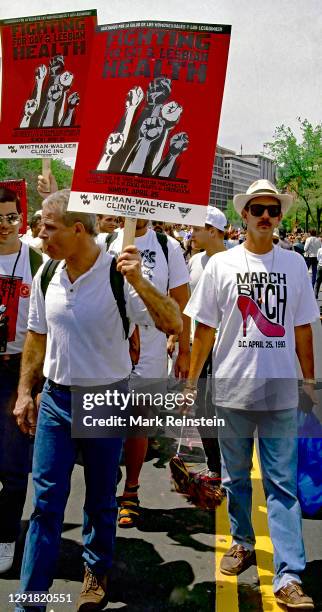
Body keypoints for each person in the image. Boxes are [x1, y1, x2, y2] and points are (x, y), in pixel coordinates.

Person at [13, 190, 182, 612]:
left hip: (105, 399)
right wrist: (24, 392)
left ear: (77, 229)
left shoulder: (116, 276)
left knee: (101, 498)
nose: (40, 234)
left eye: (48, 227)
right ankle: (30, 599)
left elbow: (172, 321)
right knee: (46, 504)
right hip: (55, 399)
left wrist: (140, 281)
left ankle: (96, 572)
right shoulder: (47, 273)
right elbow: (36, 335)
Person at [184, 179, 319, 609]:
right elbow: (203, 330)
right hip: (230, 390)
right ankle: (241, 541)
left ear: (280, 217)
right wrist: (190, 383)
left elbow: (301, 329)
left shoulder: (295, 266)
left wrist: (310, 383)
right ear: (244, 216)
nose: (265, 216)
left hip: (280, 394)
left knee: (282, 487)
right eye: (257, 209)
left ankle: (289, 575)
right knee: (235, 479)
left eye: (273, 210)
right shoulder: (221, 266)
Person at [106, 218, 190, 527]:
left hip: (153, 343)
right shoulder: (105, 243)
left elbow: (182, 304)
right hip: (112, 341)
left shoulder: (168, 247)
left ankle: (131, 491)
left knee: (138, 420)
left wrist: (185, 351)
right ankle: (106, 480)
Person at [0, 187, 43, 573]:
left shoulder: (37, 262)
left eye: (11, 217)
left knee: (13, 463)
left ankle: (6, 535)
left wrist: (34, 386)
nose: (4, 226)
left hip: (18, 371)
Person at [188, 206, 227, 482]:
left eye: (196, 228)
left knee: (223, 407)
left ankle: (232, 465)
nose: (191, 233)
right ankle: (214, 464)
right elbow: (189, 305)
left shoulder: (235, 263)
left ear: (213, 231)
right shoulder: (194, 262)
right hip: (198, 344)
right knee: (200, 407)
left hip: (226, 348)